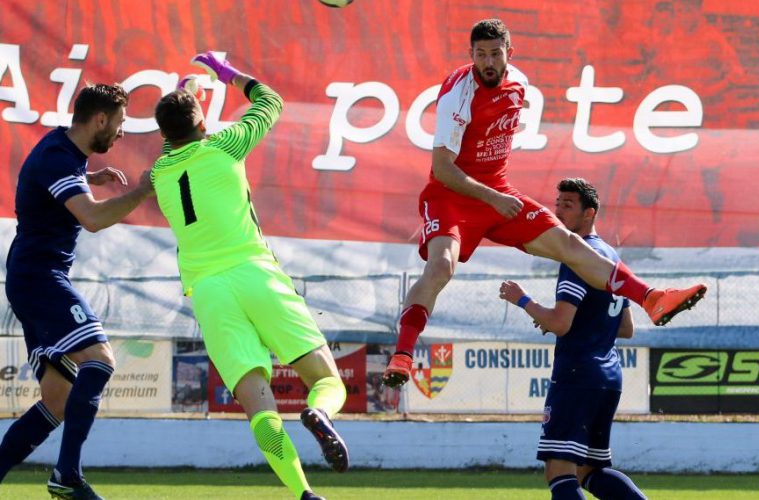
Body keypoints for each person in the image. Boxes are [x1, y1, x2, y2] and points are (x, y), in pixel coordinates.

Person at [382, 18, 706, 388]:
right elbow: (442, 169)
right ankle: (403, 356)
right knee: (441, 266)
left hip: (497, 192)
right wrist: (492, 196)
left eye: (495, 53)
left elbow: (492, 146)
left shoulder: (518, 84)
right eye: (480, 54)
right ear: (470, 55)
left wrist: (495, 194)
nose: (488, 61)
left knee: (571, 245)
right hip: (452, 195)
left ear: (509, 53)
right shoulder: (458, 92)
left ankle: (651, 298)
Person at [150, 52, 348, 500]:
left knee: (259, 407)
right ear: (203, 124)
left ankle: (304, 492)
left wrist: (188, 90)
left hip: (209, 292)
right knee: (325, 380)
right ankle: (320, 413)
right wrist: (227, 74)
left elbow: (175, 133)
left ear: (165, 134)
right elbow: (270, 101)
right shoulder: (224, 144)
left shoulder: (161, 171)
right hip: (255, 272)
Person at [0, 83, 154, 499]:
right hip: (40, 277)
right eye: (120, 123)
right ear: (100, 119)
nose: (121, 133)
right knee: (100, 361)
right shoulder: (58, 157)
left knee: (57, 401)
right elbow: (92, 218)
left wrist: (89, 177)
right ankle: (67, 475)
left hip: (30, 275)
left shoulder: (61, 153)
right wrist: (143, 190)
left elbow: (46, 181)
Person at [499, 178, 646, 500]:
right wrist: (573, 322)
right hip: (609, 376)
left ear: (589, 213)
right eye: (557, 203)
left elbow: (560, 324)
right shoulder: (610, 257)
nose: (558, 211)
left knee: (560, 470)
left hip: (578, 373)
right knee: (590, 470)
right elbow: (624, 328)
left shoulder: (578, 260)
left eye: (568, 205)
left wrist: (523, 300)